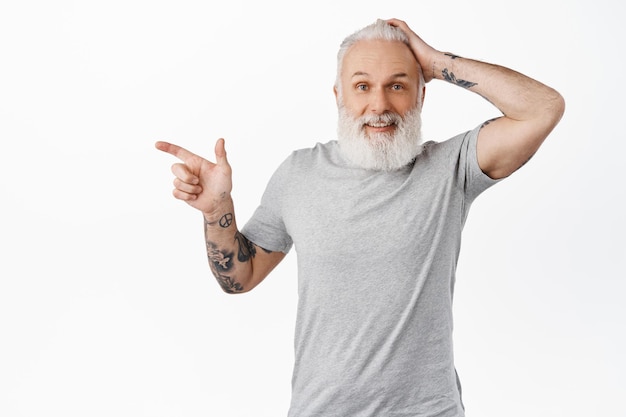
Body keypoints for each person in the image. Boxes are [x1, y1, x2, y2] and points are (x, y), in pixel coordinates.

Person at [156, 18, 564, 417]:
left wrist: (436, 61)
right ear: (339, 96)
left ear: (422, 96)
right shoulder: (299, 173)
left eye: (398, 86)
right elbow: (239, 277)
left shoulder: (450, 168)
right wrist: (216, 211)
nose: (380, 105)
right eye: (363, 86)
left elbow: (542, 109)